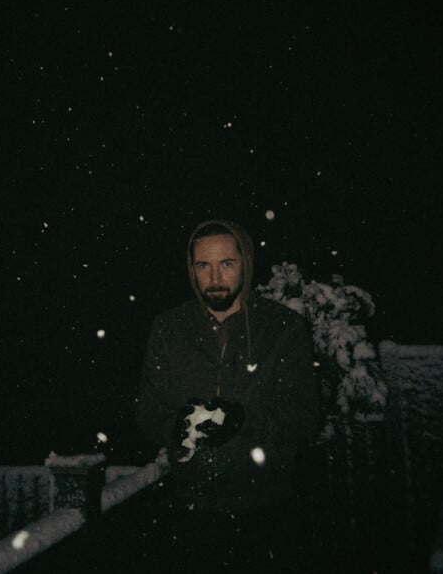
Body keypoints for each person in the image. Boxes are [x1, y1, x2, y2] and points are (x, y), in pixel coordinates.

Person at [134, 219, 321, 573]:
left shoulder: (282, 328)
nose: (215, 278)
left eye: (227, 264)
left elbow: (307, 417)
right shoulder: (169, 328)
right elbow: (147, 409)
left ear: (245, 263)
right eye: (203, 265)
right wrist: (177, 425)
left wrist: (242, 420)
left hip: (268, 513)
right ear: (192, 269)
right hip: (190, 514)